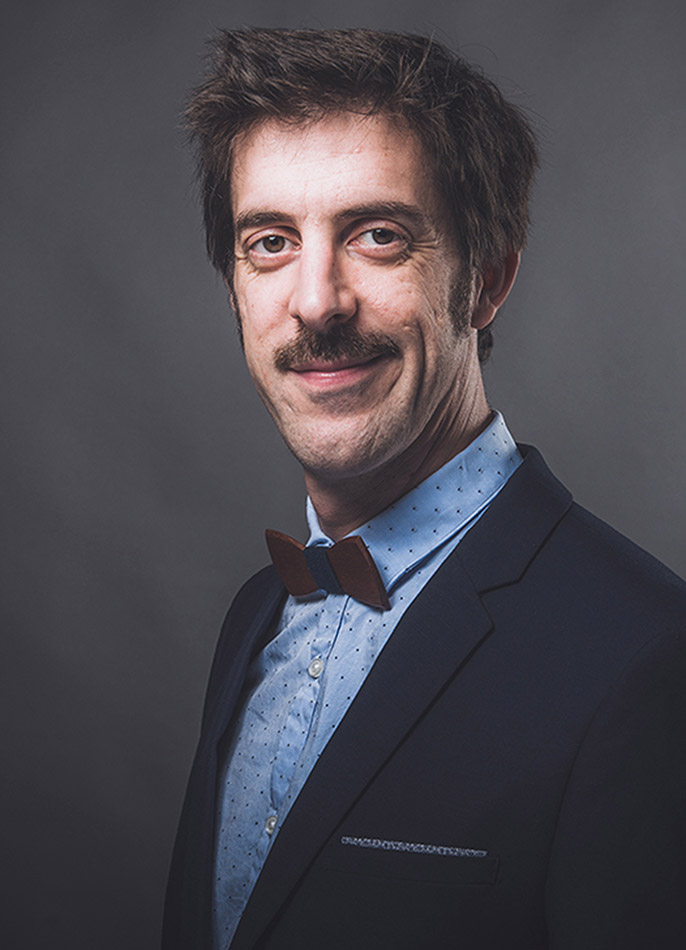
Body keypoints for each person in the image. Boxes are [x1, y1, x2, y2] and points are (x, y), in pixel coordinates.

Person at [163, 28, 686, 950]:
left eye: (379, 235)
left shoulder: (650, 658)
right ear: (236, 289)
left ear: (486, 280)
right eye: (271, 242)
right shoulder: (254, 618)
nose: (317, 301)